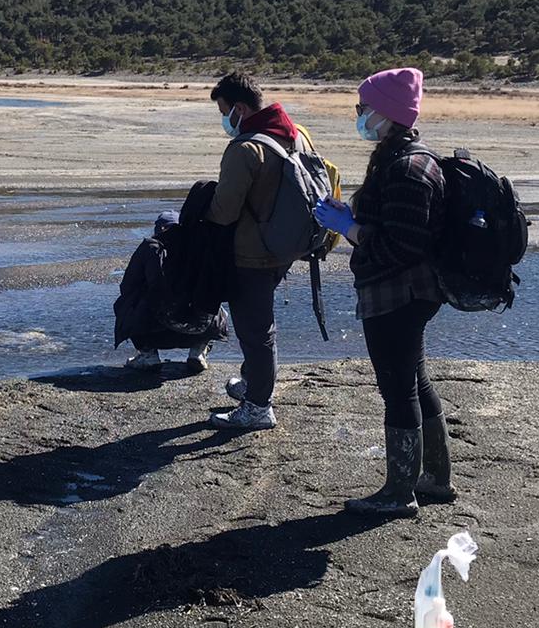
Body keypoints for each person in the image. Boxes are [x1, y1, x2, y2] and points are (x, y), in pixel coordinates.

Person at [312, 67, 455, 516]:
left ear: (386, 113)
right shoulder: (403, 158)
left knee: (398, 389)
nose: (358, 116)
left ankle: (399, 492)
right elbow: (397, 230)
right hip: (406, 293)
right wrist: (350, 216)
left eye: (363, 108)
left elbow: (402, 245)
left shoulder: (409, 167)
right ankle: (434, 479)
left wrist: (349, 228)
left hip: (398, 295)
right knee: (414, 379)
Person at [205, 71, 332, 431]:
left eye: (224, 111)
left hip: (252, 254)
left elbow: (224, 211)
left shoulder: (246, 148)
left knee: (256, 329)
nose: (224, 119)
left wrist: (202, 210)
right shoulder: (296, 133)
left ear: (240, 109)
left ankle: (259, 406)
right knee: (259, 324)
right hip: (286, 247)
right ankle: (252, 383)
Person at [115, 210, 226, 373]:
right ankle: (198, 350)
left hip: (156, 324)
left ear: (159, 228)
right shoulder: (198, 246)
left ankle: (148, 353)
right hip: (200, 326)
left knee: (124, 303)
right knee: (211, 301)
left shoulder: (150, 246)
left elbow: (127, 287)